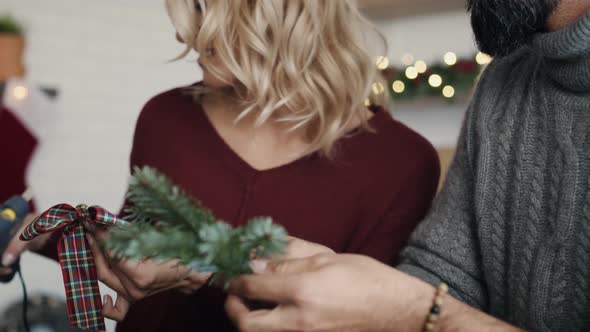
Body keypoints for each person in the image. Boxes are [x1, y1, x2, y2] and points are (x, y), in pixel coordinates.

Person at [0, 0, 440, 331]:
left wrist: (201, 268)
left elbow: (363, 315)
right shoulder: (164, 117)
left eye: (201, 6)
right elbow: (134, 255)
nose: (183, 36)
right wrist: (45, 233)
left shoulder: (403, 164)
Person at [225, 1, 590, 331]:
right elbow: (443, 275)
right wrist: (353, 295)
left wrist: (415, 312)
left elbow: (424, 307)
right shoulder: (503, 83)